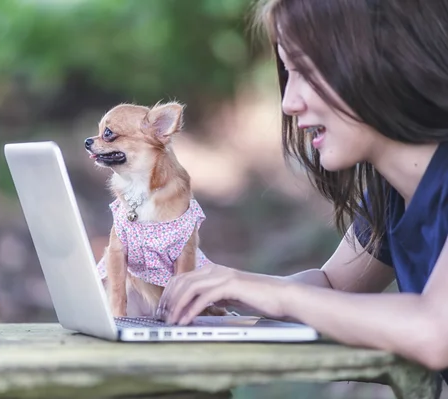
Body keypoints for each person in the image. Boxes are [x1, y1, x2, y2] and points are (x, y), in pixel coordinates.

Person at [156, 0, 448, 381]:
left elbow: (435, 331)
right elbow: (334, 288)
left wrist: (277, 295)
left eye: (308, 72)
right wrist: (223, 287)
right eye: (288, 73)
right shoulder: (391, 194)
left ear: (385, 59)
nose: (289, 103)